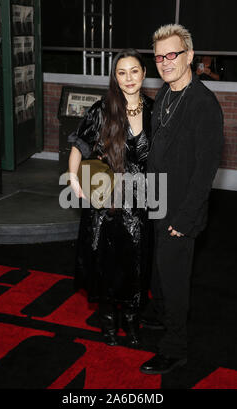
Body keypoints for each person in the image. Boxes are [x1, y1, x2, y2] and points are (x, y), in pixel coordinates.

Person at [140, 24, 224, 374]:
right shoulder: (164, 95)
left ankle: (175, 348)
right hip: (158, 201)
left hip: (181, 212)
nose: (165, 62)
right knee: (159, 271)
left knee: (174, 279)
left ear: (190, 56)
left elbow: (206, 171)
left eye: (172, 54)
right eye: (159, 57)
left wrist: (186, 218)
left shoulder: (204, 105)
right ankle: (161, 316)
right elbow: (158, 152)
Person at [68, 49, 153, 347]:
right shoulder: (102, 109)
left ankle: (131, 321)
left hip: (140, 201)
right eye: (121, 72)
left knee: (135, 264)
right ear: (114, 77)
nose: (128, 78)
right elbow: (79, 145)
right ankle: (107, 323)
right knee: (104, 263)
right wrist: (74, 179)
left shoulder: (154, 110)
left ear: (143, 73)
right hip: (104, 202)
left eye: (134, 71)